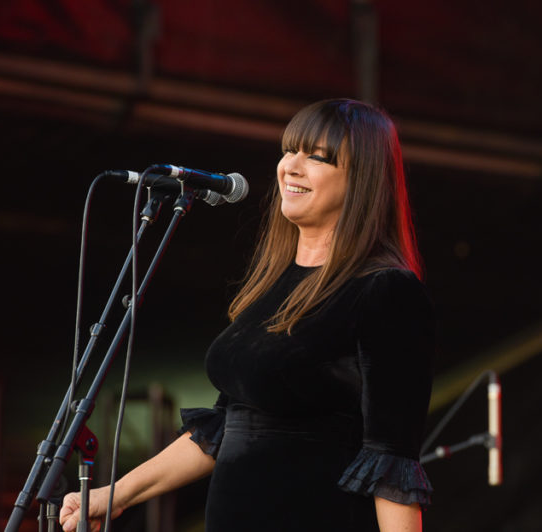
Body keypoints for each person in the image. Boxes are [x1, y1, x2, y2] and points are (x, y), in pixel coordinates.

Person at [59, 99, 435, 532]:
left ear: (362, 180)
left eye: (317, 157)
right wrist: (113, 495)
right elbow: (223, 429)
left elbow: (392, 464)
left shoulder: (386, 291)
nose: (291, 167)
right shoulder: (274, 284)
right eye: (289, 150)